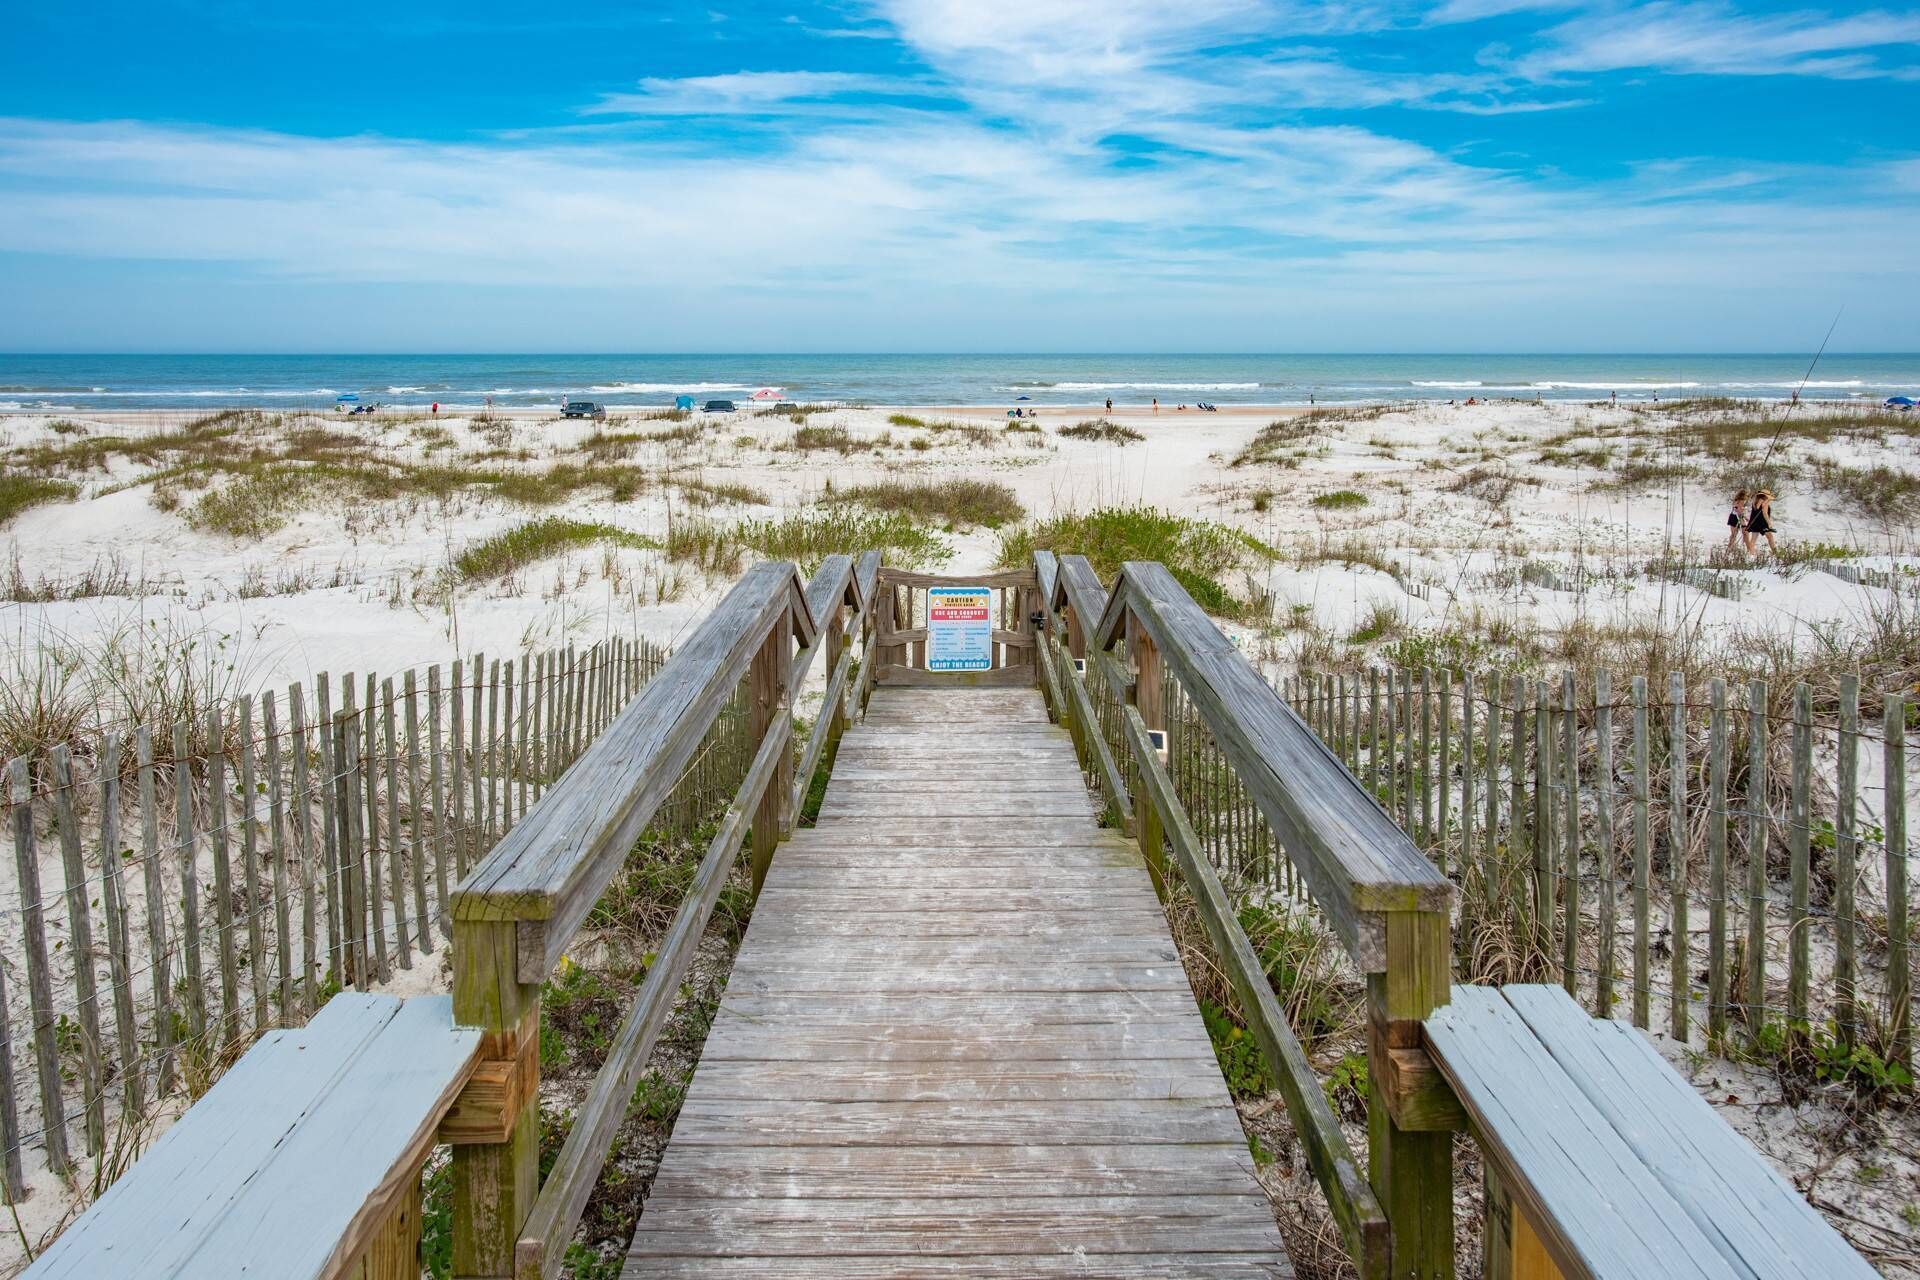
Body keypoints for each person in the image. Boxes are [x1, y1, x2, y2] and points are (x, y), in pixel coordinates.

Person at [1745, 490, 1777, 556]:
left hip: (1755, 522)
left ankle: (1751, 554)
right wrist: (1769, 524)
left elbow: (1756, 510)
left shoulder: (1755, 501)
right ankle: (1775, 553)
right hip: (1762, 523)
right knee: (1770, 537)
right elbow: (1765, 513)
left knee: (1753, 539)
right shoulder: (1765, 501)